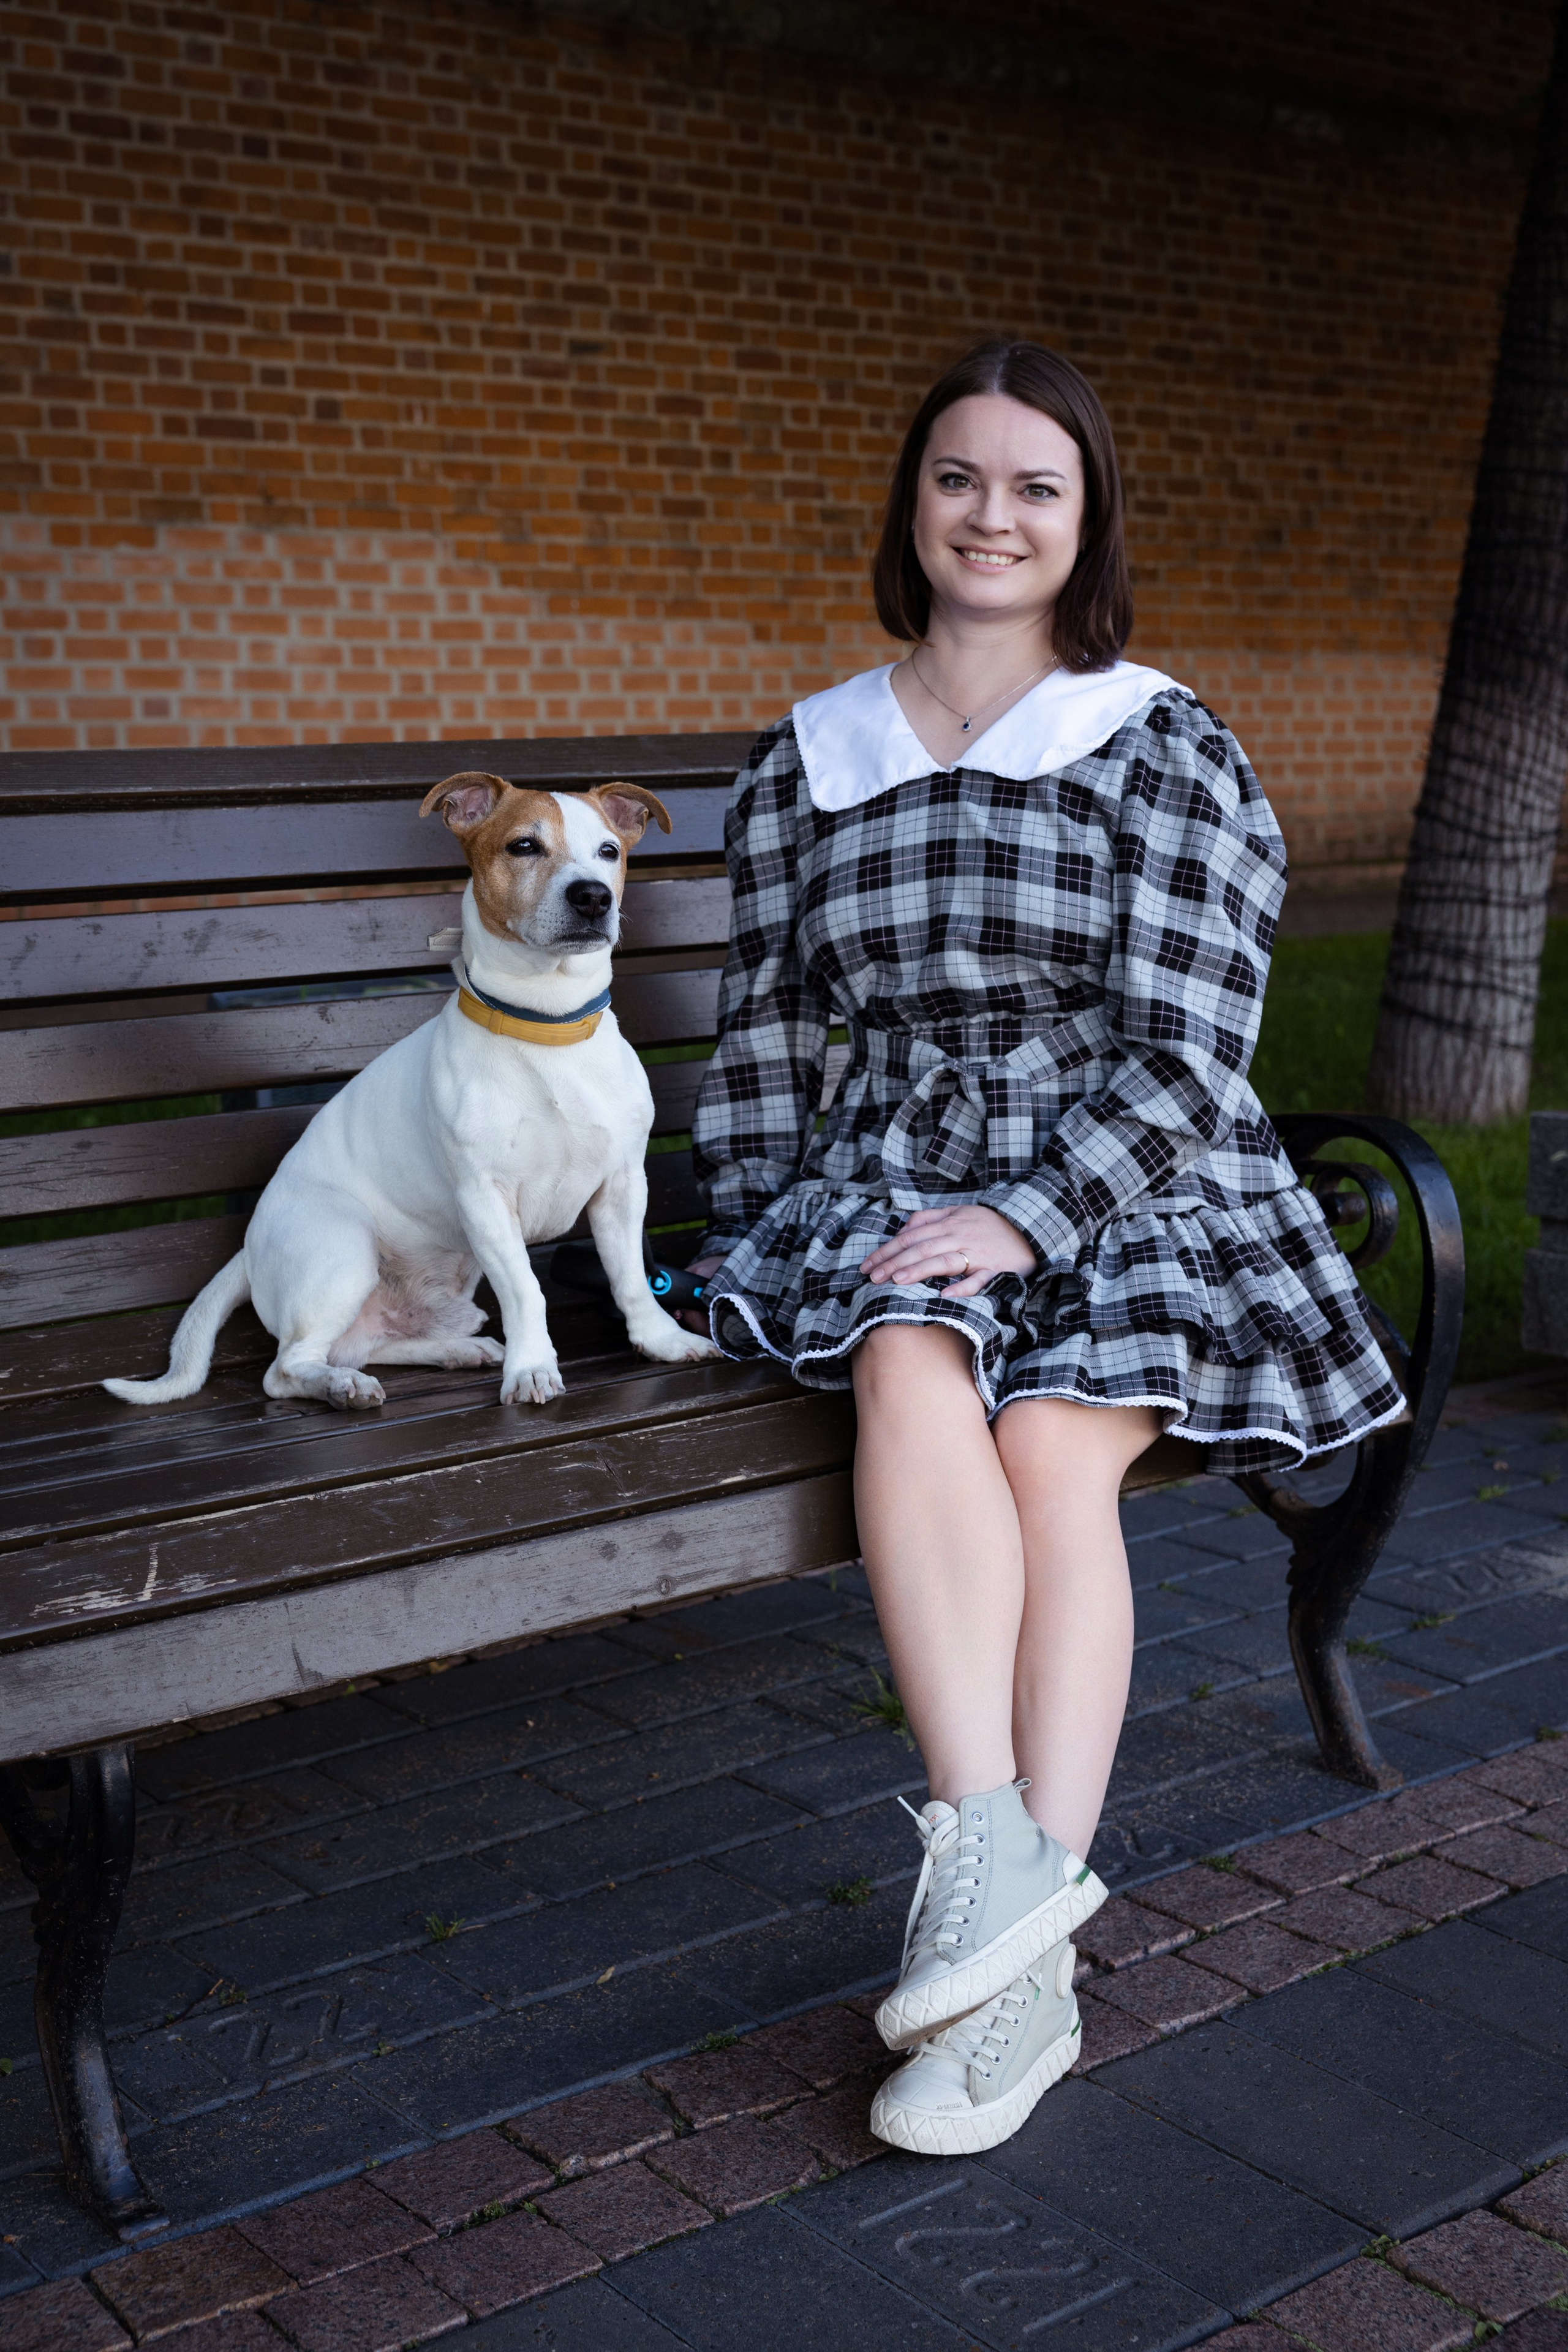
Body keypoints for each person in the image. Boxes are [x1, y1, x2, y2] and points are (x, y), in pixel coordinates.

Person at [683, 341, 1403, 2157]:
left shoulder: (1161, 742)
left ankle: (1004, 1960)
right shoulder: (810, 760)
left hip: (1134, 1171)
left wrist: (1032, 1212)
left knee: (1047, 1440)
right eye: (957, 478)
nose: (990, 515)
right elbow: (767, 1031)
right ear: (909, 505)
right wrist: (745, 1233)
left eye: (1034, 486)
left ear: (1086, 525)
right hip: (905, 1170)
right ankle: (998, 1892)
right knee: (906, 1340)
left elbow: (1190, 1046)